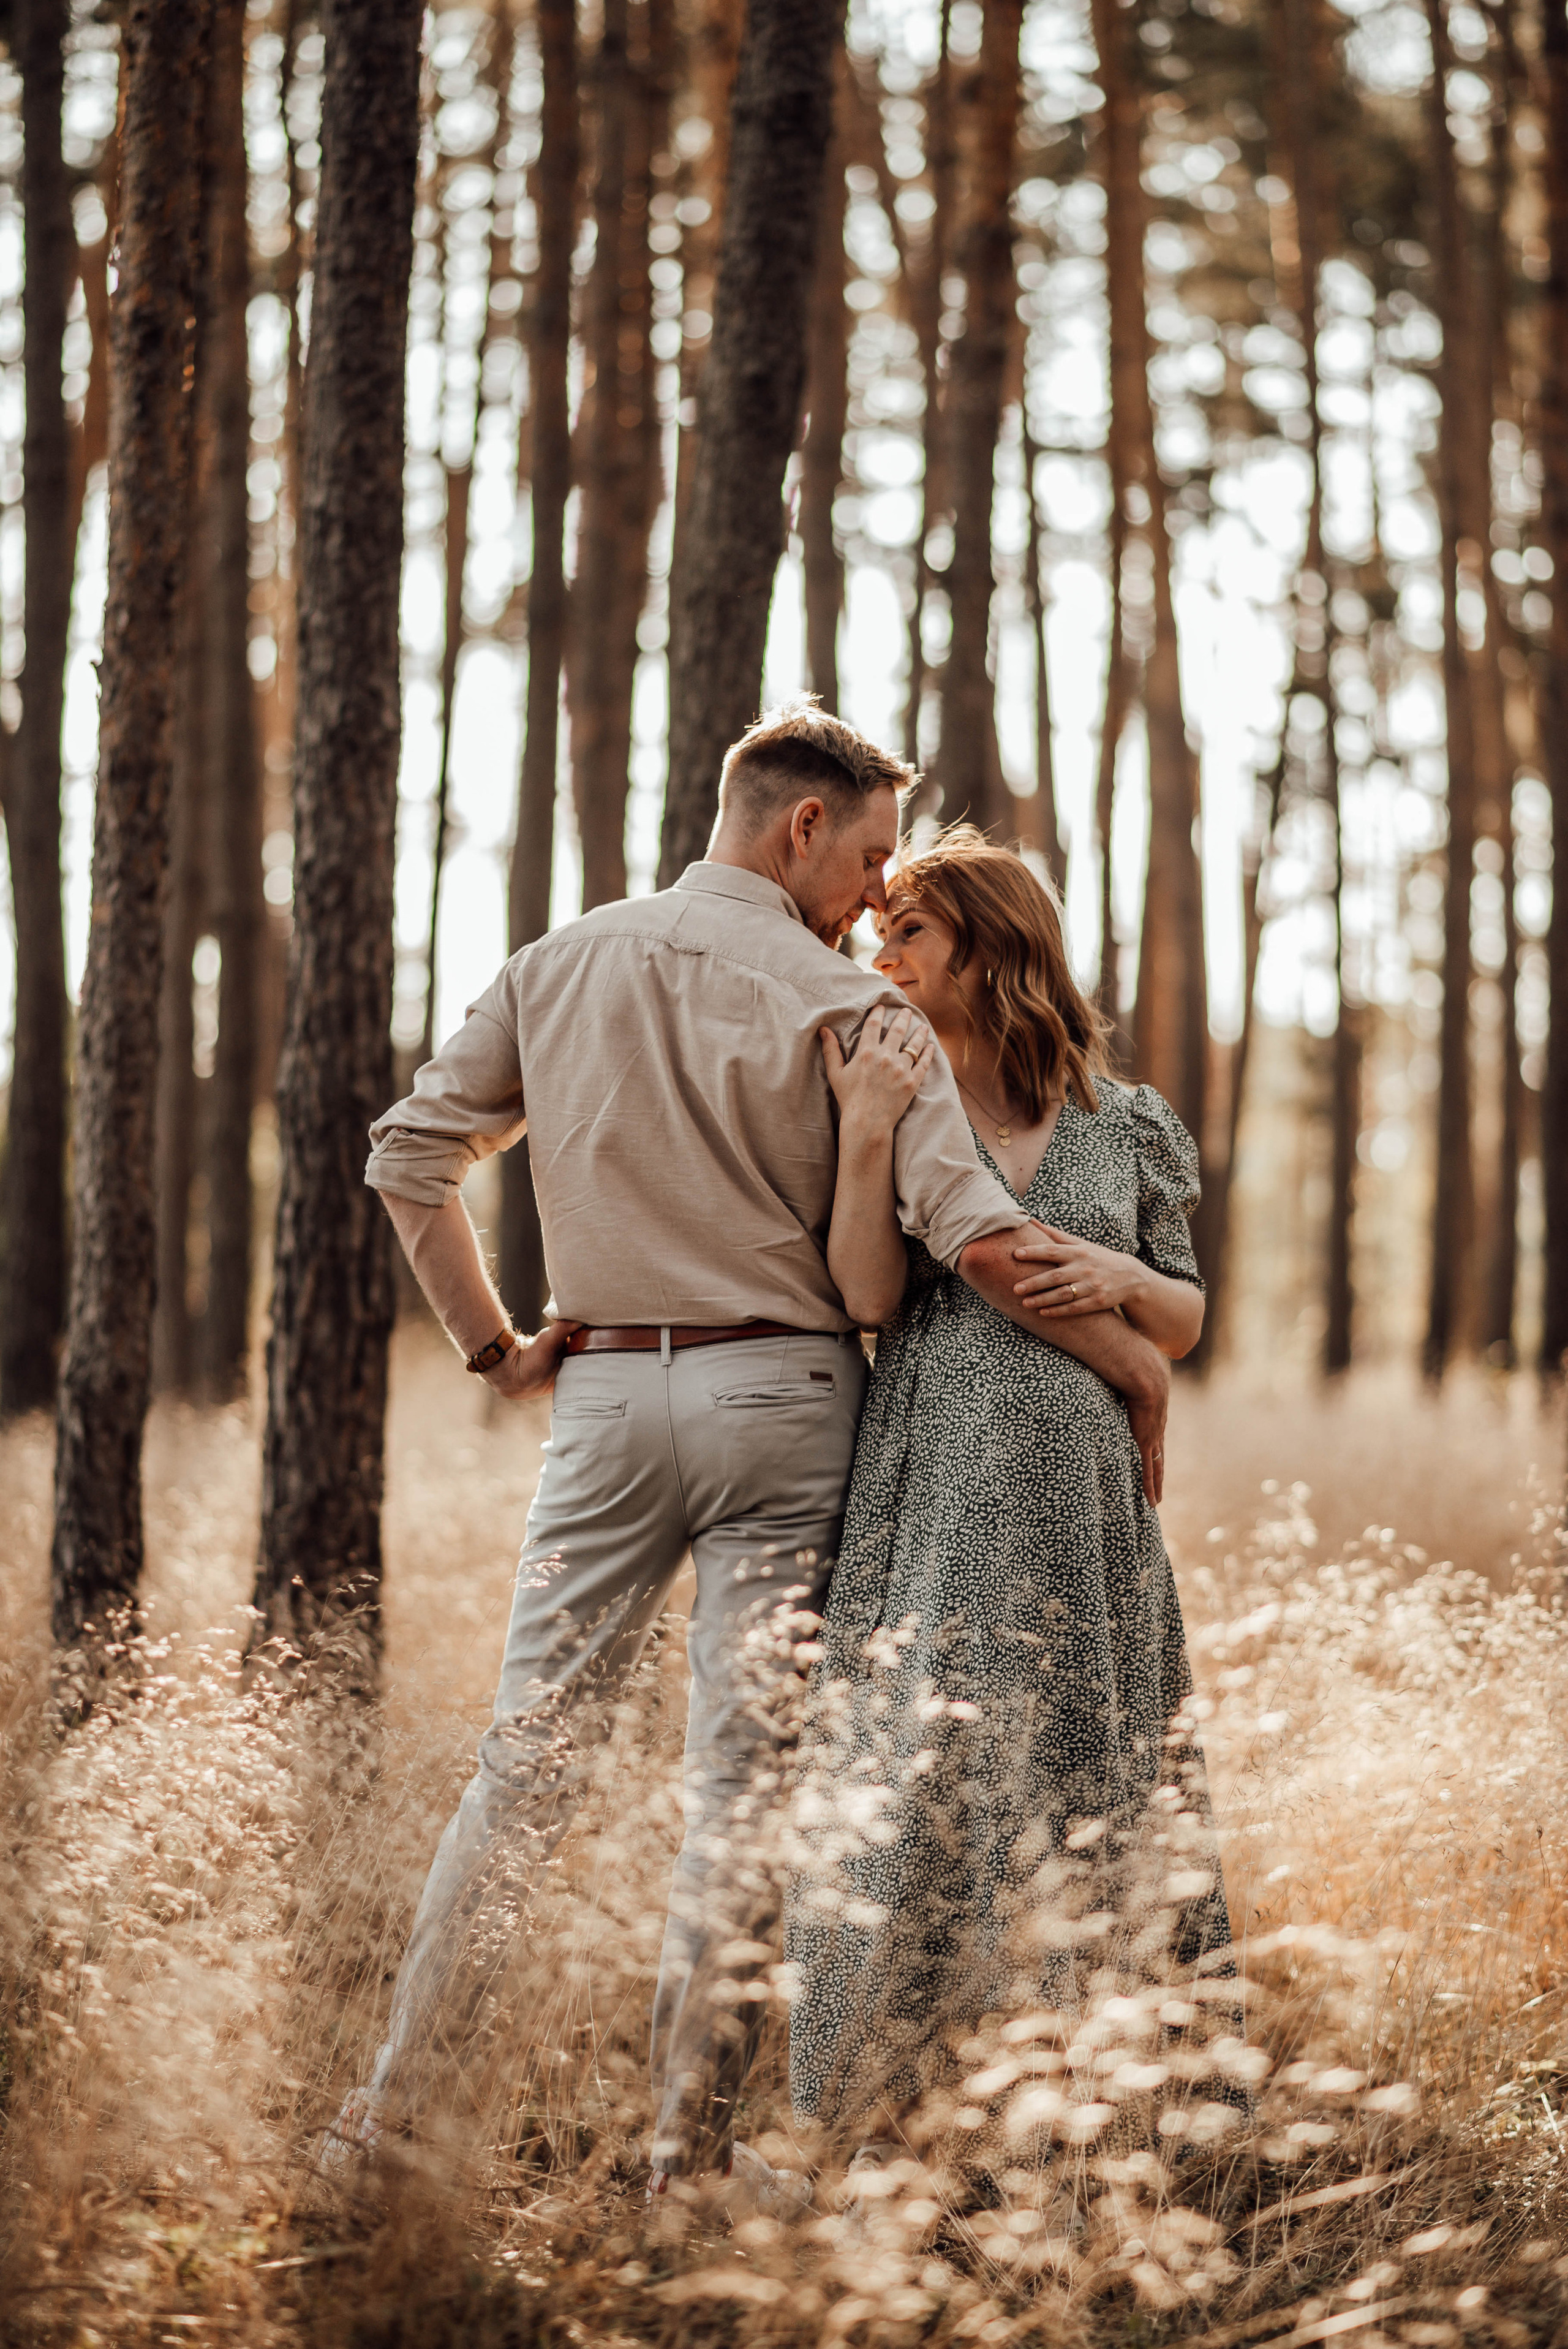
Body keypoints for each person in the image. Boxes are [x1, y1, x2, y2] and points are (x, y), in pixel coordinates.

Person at [326, 704, 1172, 2200]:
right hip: (782, 1405)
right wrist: (1135, 1367)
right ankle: (680, 2170)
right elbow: (974, 1241)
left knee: (520, 1771)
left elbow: (408, 1158)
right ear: (800, 829)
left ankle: (388, 2139)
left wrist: (497, 1347)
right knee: (743, 1793)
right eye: (864, 855)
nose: (869, 894)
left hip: (596, 1402)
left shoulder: (557, 962)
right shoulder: (854, 1007)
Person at [787, 826, 1235, 2141]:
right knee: (928, 1762)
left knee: (1087, 1760)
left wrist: (1124, 1285)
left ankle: (1106, 2092)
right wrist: (866, 1129)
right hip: (936, 1473)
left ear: (989, 946)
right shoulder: (890, 1089)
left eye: (909, 932)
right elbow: (868, 1296)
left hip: (1088, 1498)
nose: (882, 953)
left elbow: (1185, 1317)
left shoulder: (1126, 1123)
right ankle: (904, 2100)